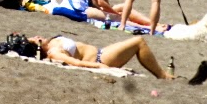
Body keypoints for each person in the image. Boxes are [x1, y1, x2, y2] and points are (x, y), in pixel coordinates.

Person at [26, 34, 174, 79]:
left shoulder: (53, 43)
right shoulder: (55, 53)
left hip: (101, 52)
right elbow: (76, 63)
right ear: (38, 46)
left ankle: (163, 74)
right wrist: (99, 66)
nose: (38, 36)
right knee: (139, 42)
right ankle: (163, 76)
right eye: (36, 39)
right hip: (100, 59)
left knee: (135, 42)